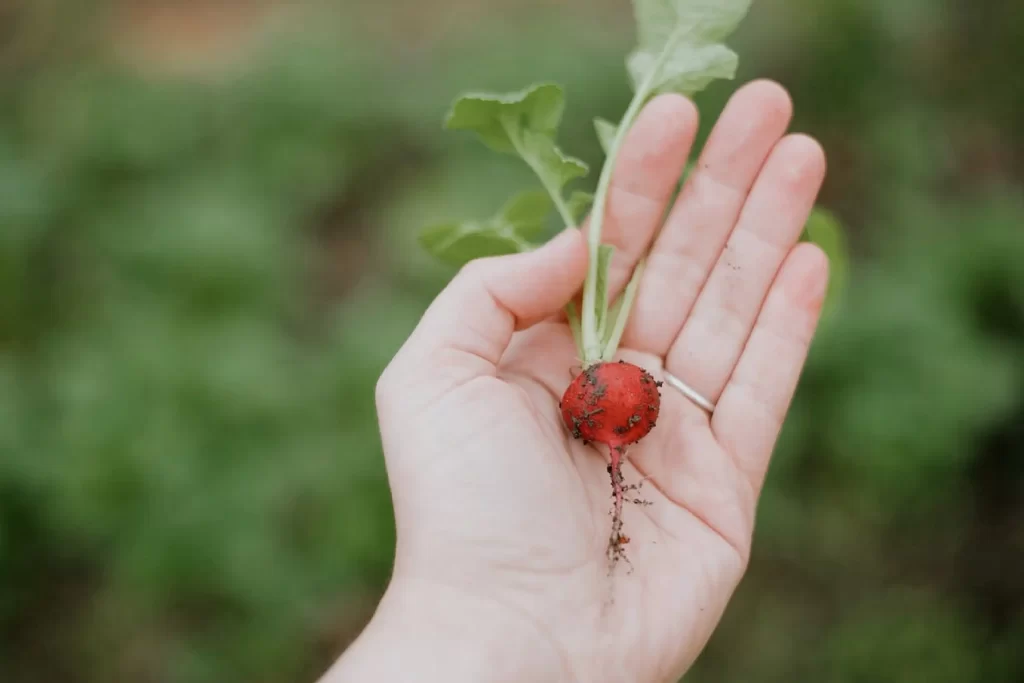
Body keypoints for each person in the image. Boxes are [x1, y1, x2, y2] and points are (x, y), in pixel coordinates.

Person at [323, 79, 829, 683]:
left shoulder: (613, 397)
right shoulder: (608, 396)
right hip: (605, 393)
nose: (613, 457)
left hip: (607, 394)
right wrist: (509, 612)